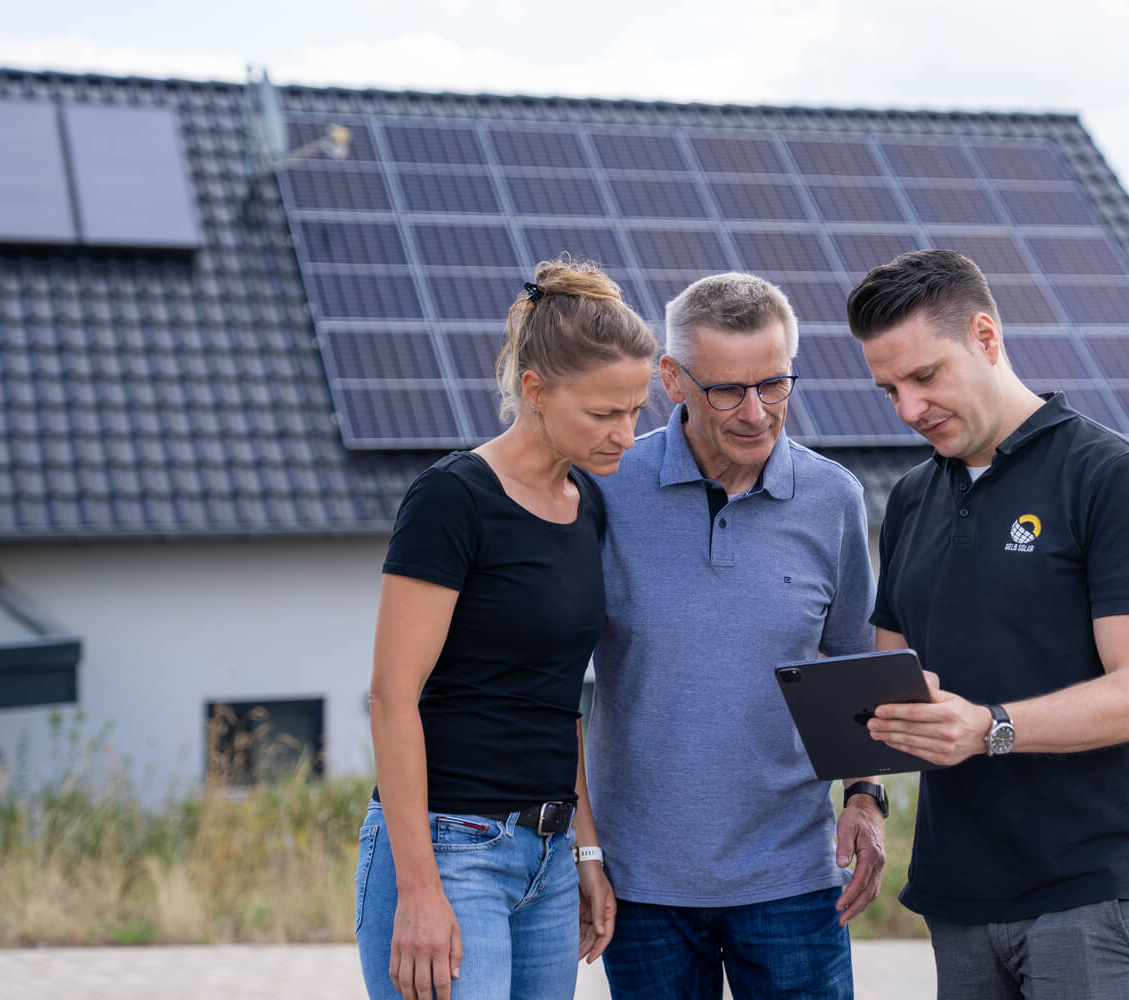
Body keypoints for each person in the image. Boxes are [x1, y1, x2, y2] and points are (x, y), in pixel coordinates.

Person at [846, 249, 1129, 999]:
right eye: (889, 390)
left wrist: (988, 726)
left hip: (1097, 896)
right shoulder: (911, 498)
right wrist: (865, 793)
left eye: (925, 376)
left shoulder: (1113, 479)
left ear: (985, 335)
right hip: (961, 895)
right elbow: (889, 682)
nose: (909, 409)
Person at [355, 259, 658, 1000]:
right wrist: (421, 891)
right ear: (535, 390)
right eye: (602, 414)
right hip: (452, 849)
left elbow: (560, 699)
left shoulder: (586, 502)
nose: (625, 434)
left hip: (548, 861)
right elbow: (392, 700)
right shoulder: (452, 500)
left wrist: (585, 848)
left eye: (635, 411)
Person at [586, 272, 885, 1000]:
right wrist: (585, 848)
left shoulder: (833, 499)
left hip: (793, 879)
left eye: (775, 385)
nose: (756, 413)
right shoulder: (602, 487)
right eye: (728, 390)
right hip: (642, 882)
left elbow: (855, 664)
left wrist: (867, 795)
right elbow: (555, 675)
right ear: (672, 380)